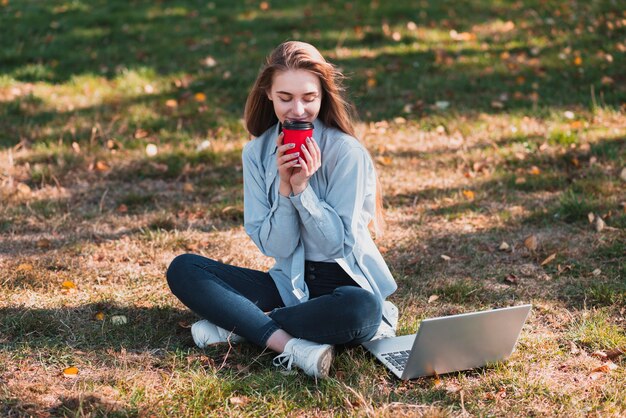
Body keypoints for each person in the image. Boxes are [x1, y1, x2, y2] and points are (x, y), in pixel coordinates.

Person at [166, 41, 398, 378]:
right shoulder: (256, 154)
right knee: (184, 268)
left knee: (364, 309)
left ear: (323, 96)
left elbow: (337, 245)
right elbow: (277, 248)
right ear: (269, 95)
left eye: (309, 98)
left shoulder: (347, 153)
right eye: (286, 98)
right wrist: (285, 189)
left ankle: (242, 326)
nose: (298, 110)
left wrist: (303, 190)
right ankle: (291, 345)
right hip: (288, 285)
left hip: (343, 286)